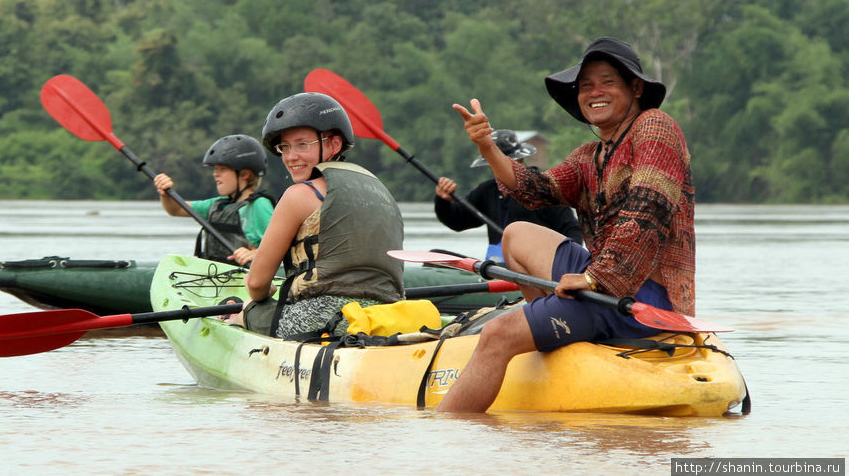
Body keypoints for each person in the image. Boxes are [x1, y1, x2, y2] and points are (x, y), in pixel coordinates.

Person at [438, 36, 695, 412]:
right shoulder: (592, 154)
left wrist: (593, 280)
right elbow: (535, 189)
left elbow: (648, 211)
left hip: (640, 300)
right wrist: (488, 147)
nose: (595, 92)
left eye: (607, 82)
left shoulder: (655, 127)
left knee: (496, 333)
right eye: (586, 85)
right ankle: (556, 331)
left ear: (635, 87)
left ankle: (441, 438)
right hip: (602, 284)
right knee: (516, 235)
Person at [233, 92, 405, 338]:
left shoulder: (299, 195)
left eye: (303, 144)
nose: (291, 157)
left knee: (247, 308)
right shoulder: (382, 191)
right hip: (386, 317)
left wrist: (260, 296)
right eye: (285, 147)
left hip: (324, 320)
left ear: (334, 144)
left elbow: (257, 284)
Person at [434, 129, 583, 261]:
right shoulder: (487, 191)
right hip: (499, 267)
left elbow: (572, 230)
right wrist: (443, 200)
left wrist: (565, 265)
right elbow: (457, 221)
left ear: (520, 160)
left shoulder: (542, 188)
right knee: (436, 253)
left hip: (540, 266)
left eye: (503, 162)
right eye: (494, 163)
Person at [153, 135, 274, 266]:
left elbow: (280, 245)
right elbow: (176, 209)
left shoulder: (259, 205)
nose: (215, 174)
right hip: (216, 277)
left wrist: (255, 254)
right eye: (215, 169)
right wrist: (165, 193)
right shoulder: (218, 205)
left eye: (222, 169)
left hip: (244, 278)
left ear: (245, 174)